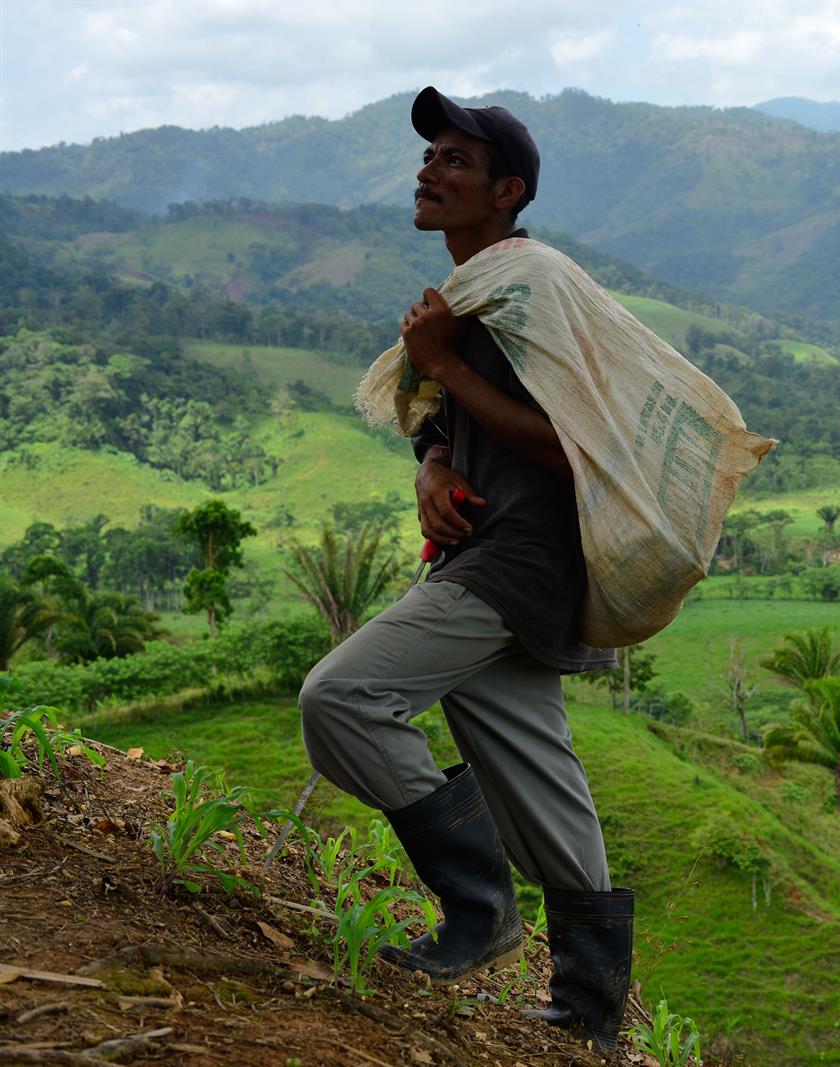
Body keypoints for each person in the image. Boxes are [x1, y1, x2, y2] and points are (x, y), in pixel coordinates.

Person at [298, 86, 633, 1051]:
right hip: (492, 553)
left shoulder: (528, 294)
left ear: (507, 190)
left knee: (342, 699)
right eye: (429, 155)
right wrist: (435, 467)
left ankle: (480, 910)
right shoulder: (478, 297)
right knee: (536, 772)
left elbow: (575, 448)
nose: (429, 171)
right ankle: (590, 1012)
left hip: (518, 562)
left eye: (455, 160)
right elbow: (449, 427)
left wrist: (444, 363)